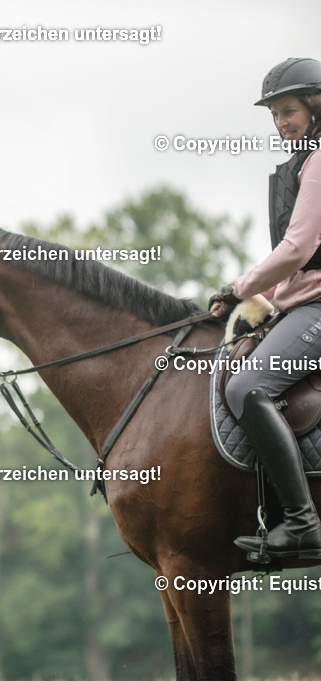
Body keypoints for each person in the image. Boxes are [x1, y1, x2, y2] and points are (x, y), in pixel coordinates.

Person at [211, 57, 321, 559]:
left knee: (247, 384)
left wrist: (240, 286)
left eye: (289, 111)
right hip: (306, 301)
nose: (281, 123)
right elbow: (302, 268)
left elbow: (298, 249)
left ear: (316, 109)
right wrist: (254, 298)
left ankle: (300, 523)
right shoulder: (302, 162)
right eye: (274, 115)